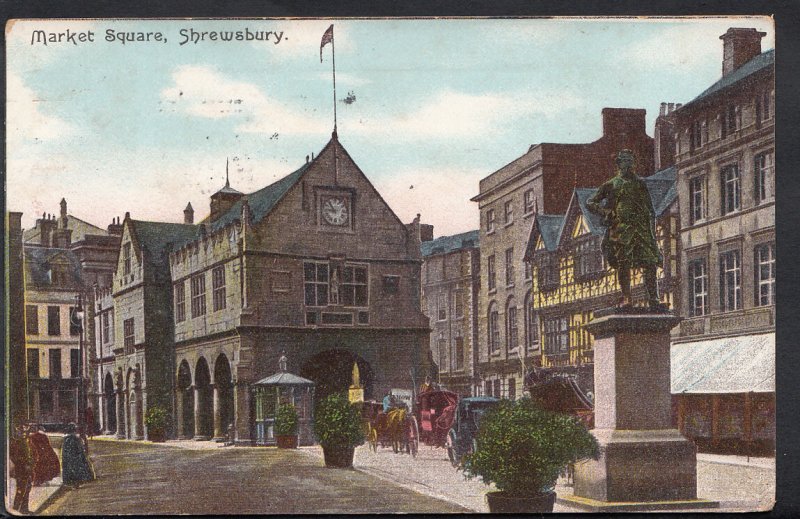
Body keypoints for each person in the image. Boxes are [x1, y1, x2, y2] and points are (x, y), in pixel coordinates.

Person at [586, 149, 665, 310]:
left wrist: (651, 230)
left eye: (631, 161)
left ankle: (653, 299)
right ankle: (627, 297)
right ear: (619, 164)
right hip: (621, 229)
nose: (629, 165)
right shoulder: (612, 184)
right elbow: (590, 202)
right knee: (624, 264)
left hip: (641, 229)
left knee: (650, 262)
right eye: (625, 161)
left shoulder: (640, 183)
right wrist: (606, 212)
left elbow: (650, 208)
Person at [9, 423, 33, 513]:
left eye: (25, 429)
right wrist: (24, 463)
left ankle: (23, 508)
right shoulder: (16, 442)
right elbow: (14, 457)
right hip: (21, 468)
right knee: (21, 488)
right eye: (21, 429)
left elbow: (29, 454)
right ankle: (17, 508)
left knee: (27, 488)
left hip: (26, 468)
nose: (24, 431)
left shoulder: (25, 440)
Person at [61, 423, 94, 488]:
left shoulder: (66, 439)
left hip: (68, 457)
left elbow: (64, 450)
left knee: (70, 470)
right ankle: (76, 483)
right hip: (76, 457)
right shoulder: (76, 438)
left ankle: (73, 483)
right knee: (77, 470)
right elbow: (79, 448)